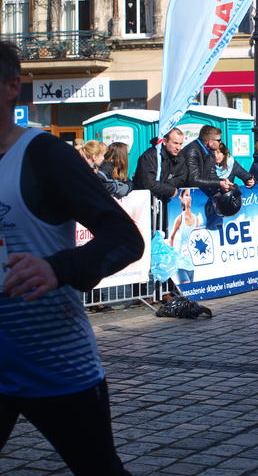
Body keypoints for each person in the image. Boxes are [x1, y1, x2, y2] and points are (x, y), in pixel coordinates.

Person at [0, 40, 143, 475]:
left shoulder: (43, 155)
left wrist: (56, 267)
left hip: (54, 361)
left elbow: (125, 238)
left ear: (11, 87)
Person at [132, 127, 187, 203]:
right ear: (164, 141)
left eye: (180, 144)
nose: (178, 147)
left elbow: (181, 177)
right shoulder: (149, 157)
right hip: (146, 202)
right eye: (175, 143)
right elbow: (148, 183)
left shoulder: (179, 156)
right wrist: (168, 189)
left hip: (166, 201)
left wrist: (167, 186)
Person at [169, 189, 203, 284]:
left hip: (191, 264)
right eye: (187, 195)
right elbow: (171, 237)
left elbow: (196, 239)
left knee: (190, 291)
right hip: (180, 264)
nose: (190, 198)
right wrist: (172, 256)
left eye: (190, 195)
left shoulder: (196, 219)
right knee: (186, 287)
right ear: (181, 198)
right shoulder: (179, 218)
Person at [183, 125, 229, 194]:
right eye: (219, 140)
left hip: (199, 193)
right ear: (210, 142)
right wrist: (219, 183)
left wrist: (223, 181)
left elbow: (212, 175)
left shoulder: (210, 151)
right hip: (186, 194)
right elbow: (193, 180)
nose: (220, 142)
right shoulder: (192, 151)